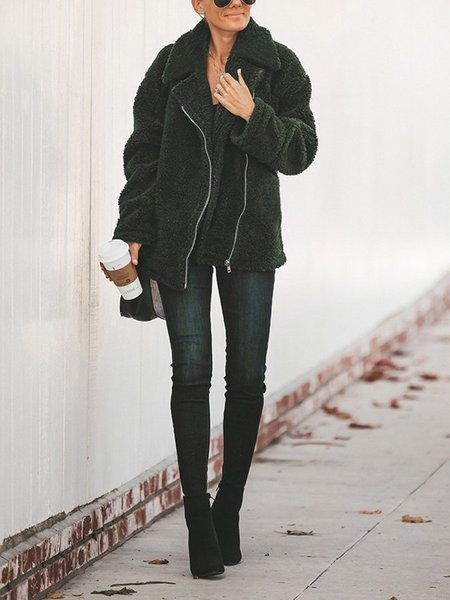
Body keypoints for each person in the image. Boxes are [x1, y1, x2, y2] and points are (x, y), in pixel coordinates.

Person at [100, 0, 318, 579]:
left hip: (249, 241)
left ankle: (229, 509)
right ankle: (198, 518)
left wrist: (254, 114)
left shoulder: (278, 65)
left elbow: (301, 151)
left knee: (246, 378)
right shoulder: (171, 67)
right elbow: (142, 154)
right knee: (191, 374)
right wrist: (135, 228)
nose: (237, 3)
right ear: (198, 3)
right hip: (182, 241)